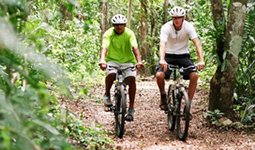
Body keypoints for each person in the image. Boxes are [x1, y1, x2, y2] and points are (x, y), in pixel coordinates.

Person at [156, 6, 205, 112]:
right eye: (174, 18)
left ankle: (188, 106)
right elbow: (162, 44)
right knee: (159, 75)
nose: (177, 20)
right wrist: (162, 59)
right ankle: (163, 96)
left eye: (179, 18)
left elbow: (197, 43)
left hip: (183, 55)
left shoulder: (188, 27)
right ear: (172, 18)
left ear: (183, 18)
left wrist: (201, 60)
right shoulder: (166, 27)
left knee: (194, 75)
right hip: (168, 55)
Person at [99, 14, 143, 122]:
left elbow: (135, 47)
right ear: (113, 25)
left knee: (132, 79)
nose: (119, 27)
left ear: (124, 25)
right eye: (117, 25)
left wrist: (139, 61)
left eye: (121, 25)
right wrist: (102, 60)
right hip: (112, 60)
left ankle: (131, 108)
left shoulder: (129, 33)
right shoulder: (109, 34)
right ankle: (107, 93)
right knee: (111, 74)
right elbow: (105, 47)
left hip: (128, 61)